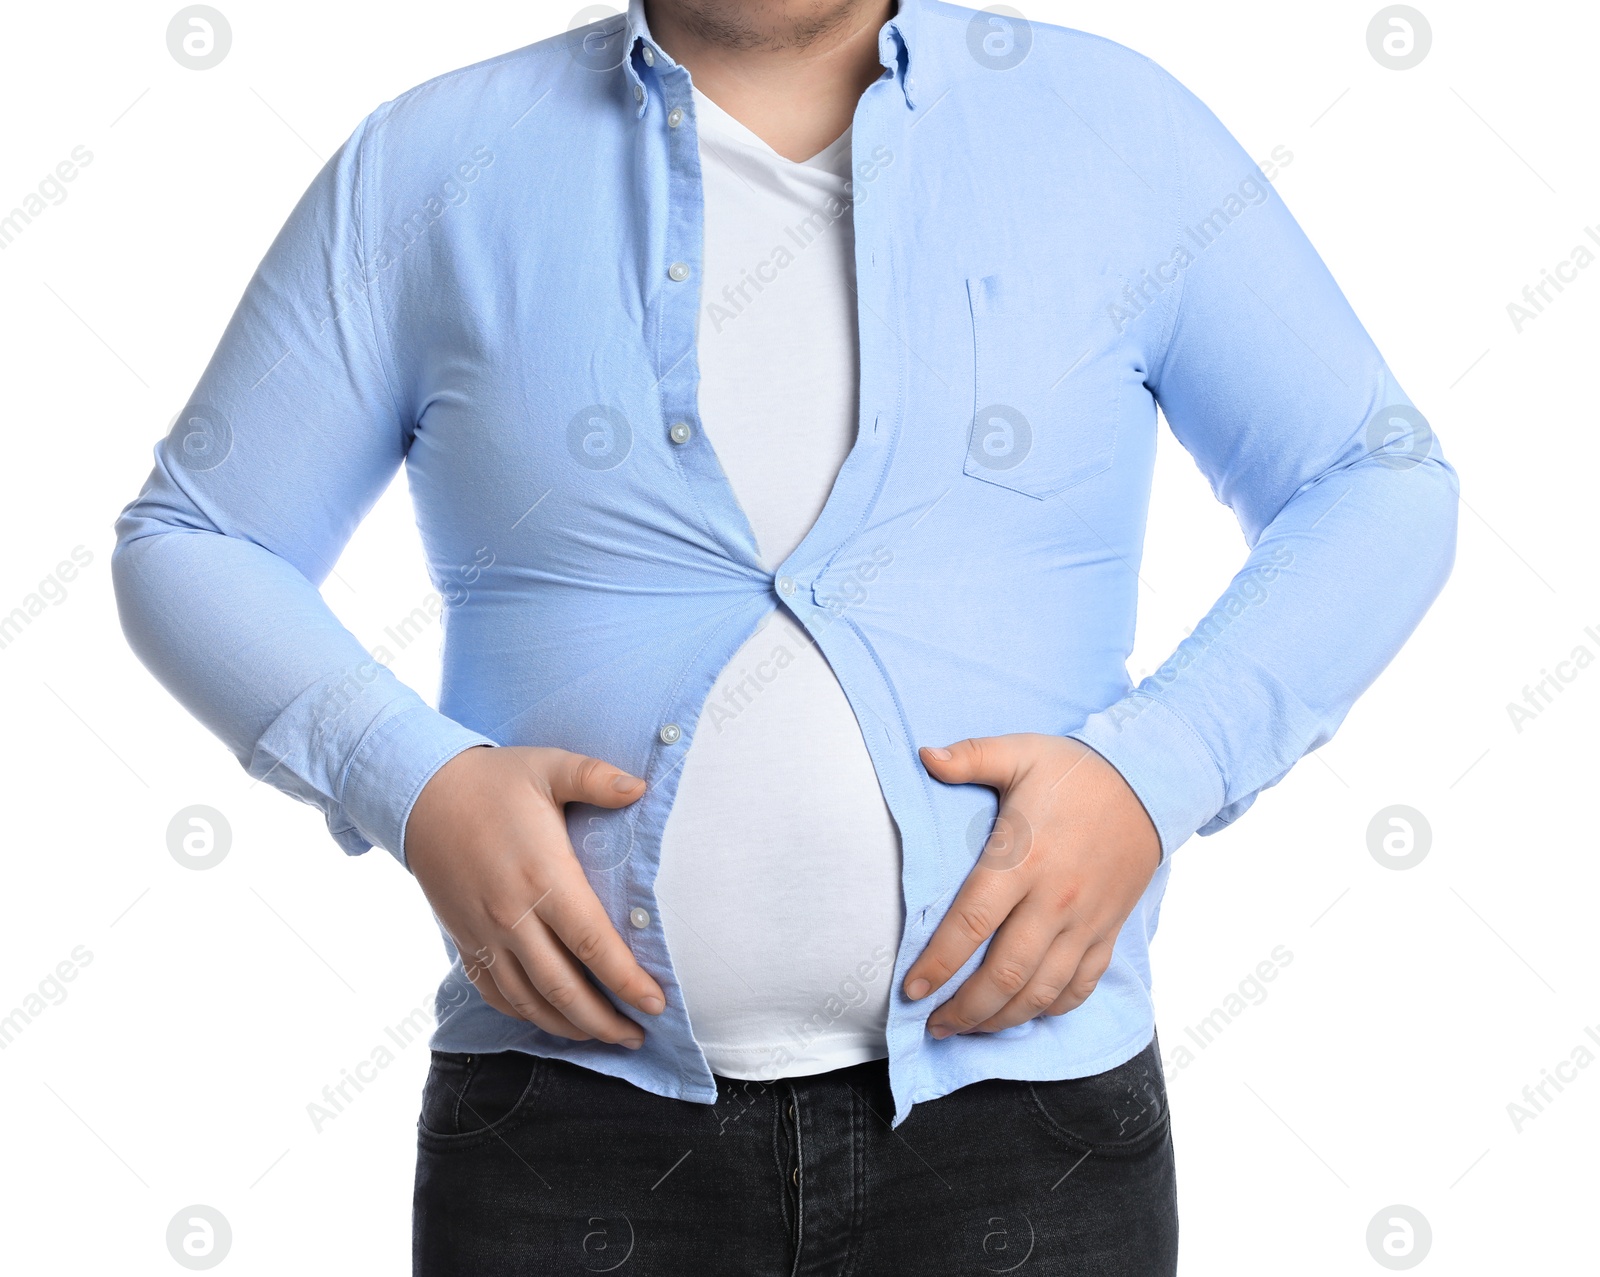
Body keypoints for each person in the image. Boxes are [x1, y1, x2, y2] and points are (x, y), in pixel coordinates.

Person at [111, 0, 1458, 1272]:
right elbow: (197, 536)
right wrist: (414, 785)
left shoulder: (1115, 128)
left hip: (1027, 1135)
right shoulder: (428, 168)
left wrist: (1161, 769)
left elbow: (1375, 477)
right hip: (561, 1135)